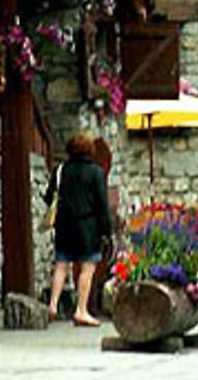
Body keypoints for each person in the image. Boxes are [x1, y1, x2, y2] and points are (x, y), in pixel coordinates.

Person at [45, 132, 112, 327]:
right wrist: (106, 231)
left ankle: (53, 305)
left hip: (64, 225)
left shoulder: (60, 170)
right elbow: (102, 205)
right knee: (87, 267)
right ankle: (81, 310)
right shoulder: (96, 172)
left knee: (61, 265)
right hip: (87, 226)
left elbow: (49, 196)